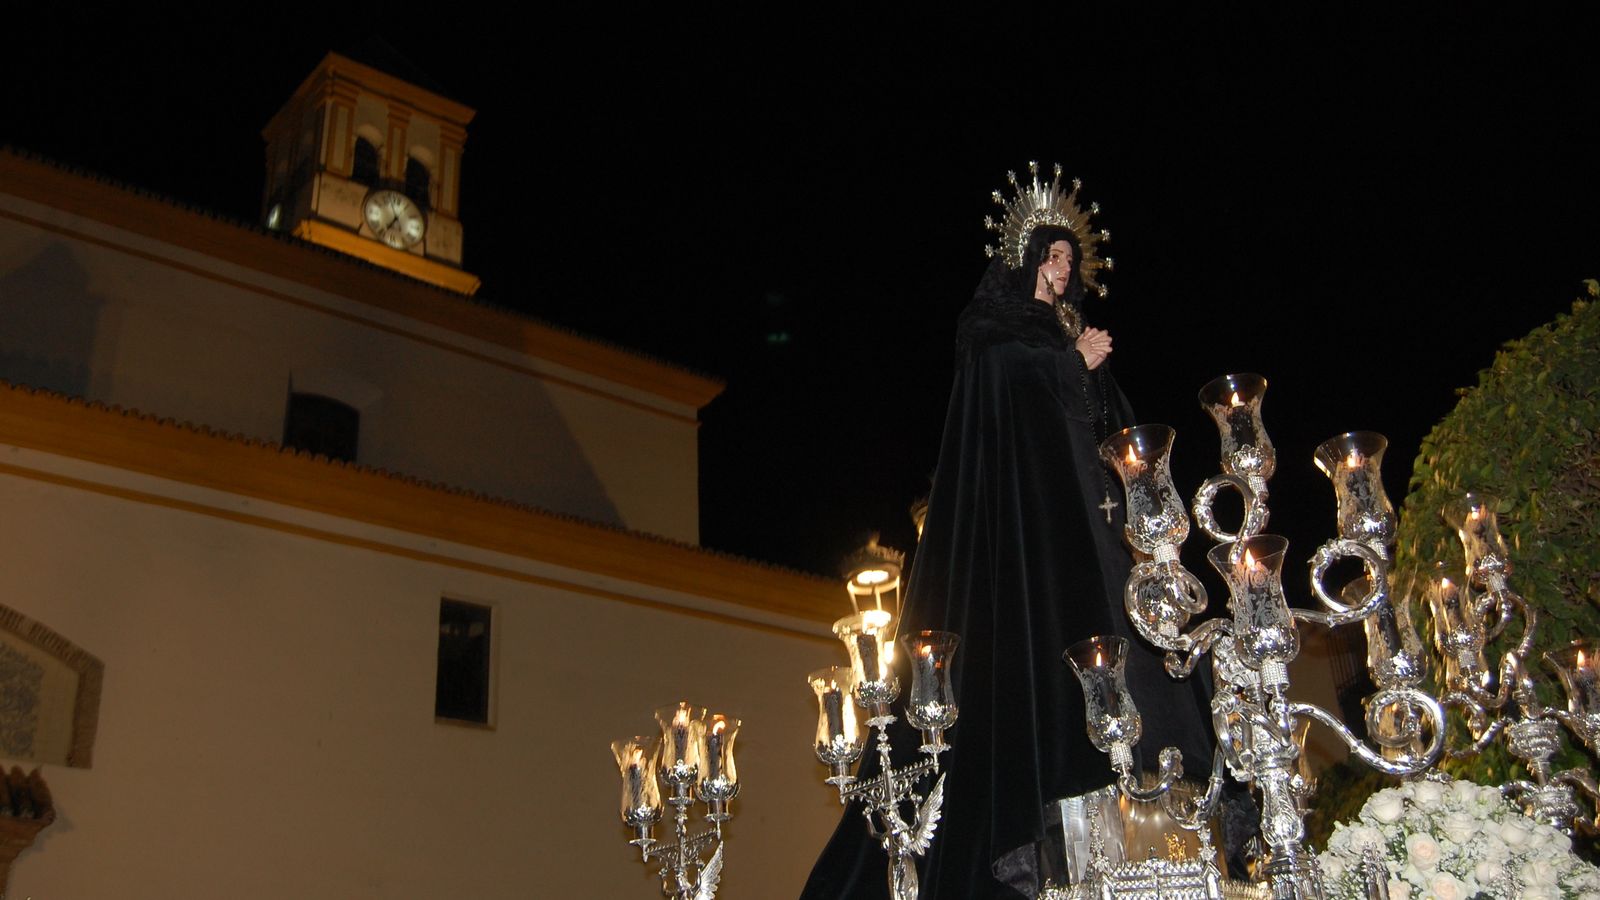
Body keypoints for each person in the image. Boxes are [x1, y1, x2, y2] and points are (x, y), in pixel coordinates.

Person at [800, 170, 1214, 898]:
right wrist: (1064, 363)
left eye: (1068, 260)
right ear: (1025, 259)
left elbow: (1104, 421)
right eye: (1051, 257)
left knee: (1138, 640)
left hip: (1091, 513)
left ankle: (1153, 816)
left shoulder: (1069, 335)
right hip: (1027, 521)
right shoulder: (992, 329)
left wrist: (1090, 376)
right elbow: (1007, 392)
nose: (1062, 270)